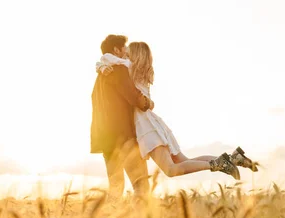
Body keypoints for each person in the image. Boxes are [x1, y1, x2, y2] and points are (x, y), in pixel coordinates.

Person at [95, 41, 258, 181]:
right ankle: (232, 159)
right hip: (152, 123)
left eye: (128, 53)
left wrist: (100, 65)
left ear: (135, 56)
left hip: (145, 127)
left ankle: (217, 164)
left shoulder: (129, 68)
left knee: (171, 170)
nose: (124, 55)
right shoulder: (143, 71)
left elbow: (106, 58)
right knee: (183, 160)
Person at [90, 34, 153, 199]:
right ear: (116, 50)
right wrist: (148, 103)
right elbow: (134, 97)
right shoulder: (119, 70)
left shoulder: (100, 78)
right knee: (141, 186)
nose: (126, 52)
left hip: (106, 141)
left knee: (116, 188)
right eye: (124, 48)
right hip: (123, 138)